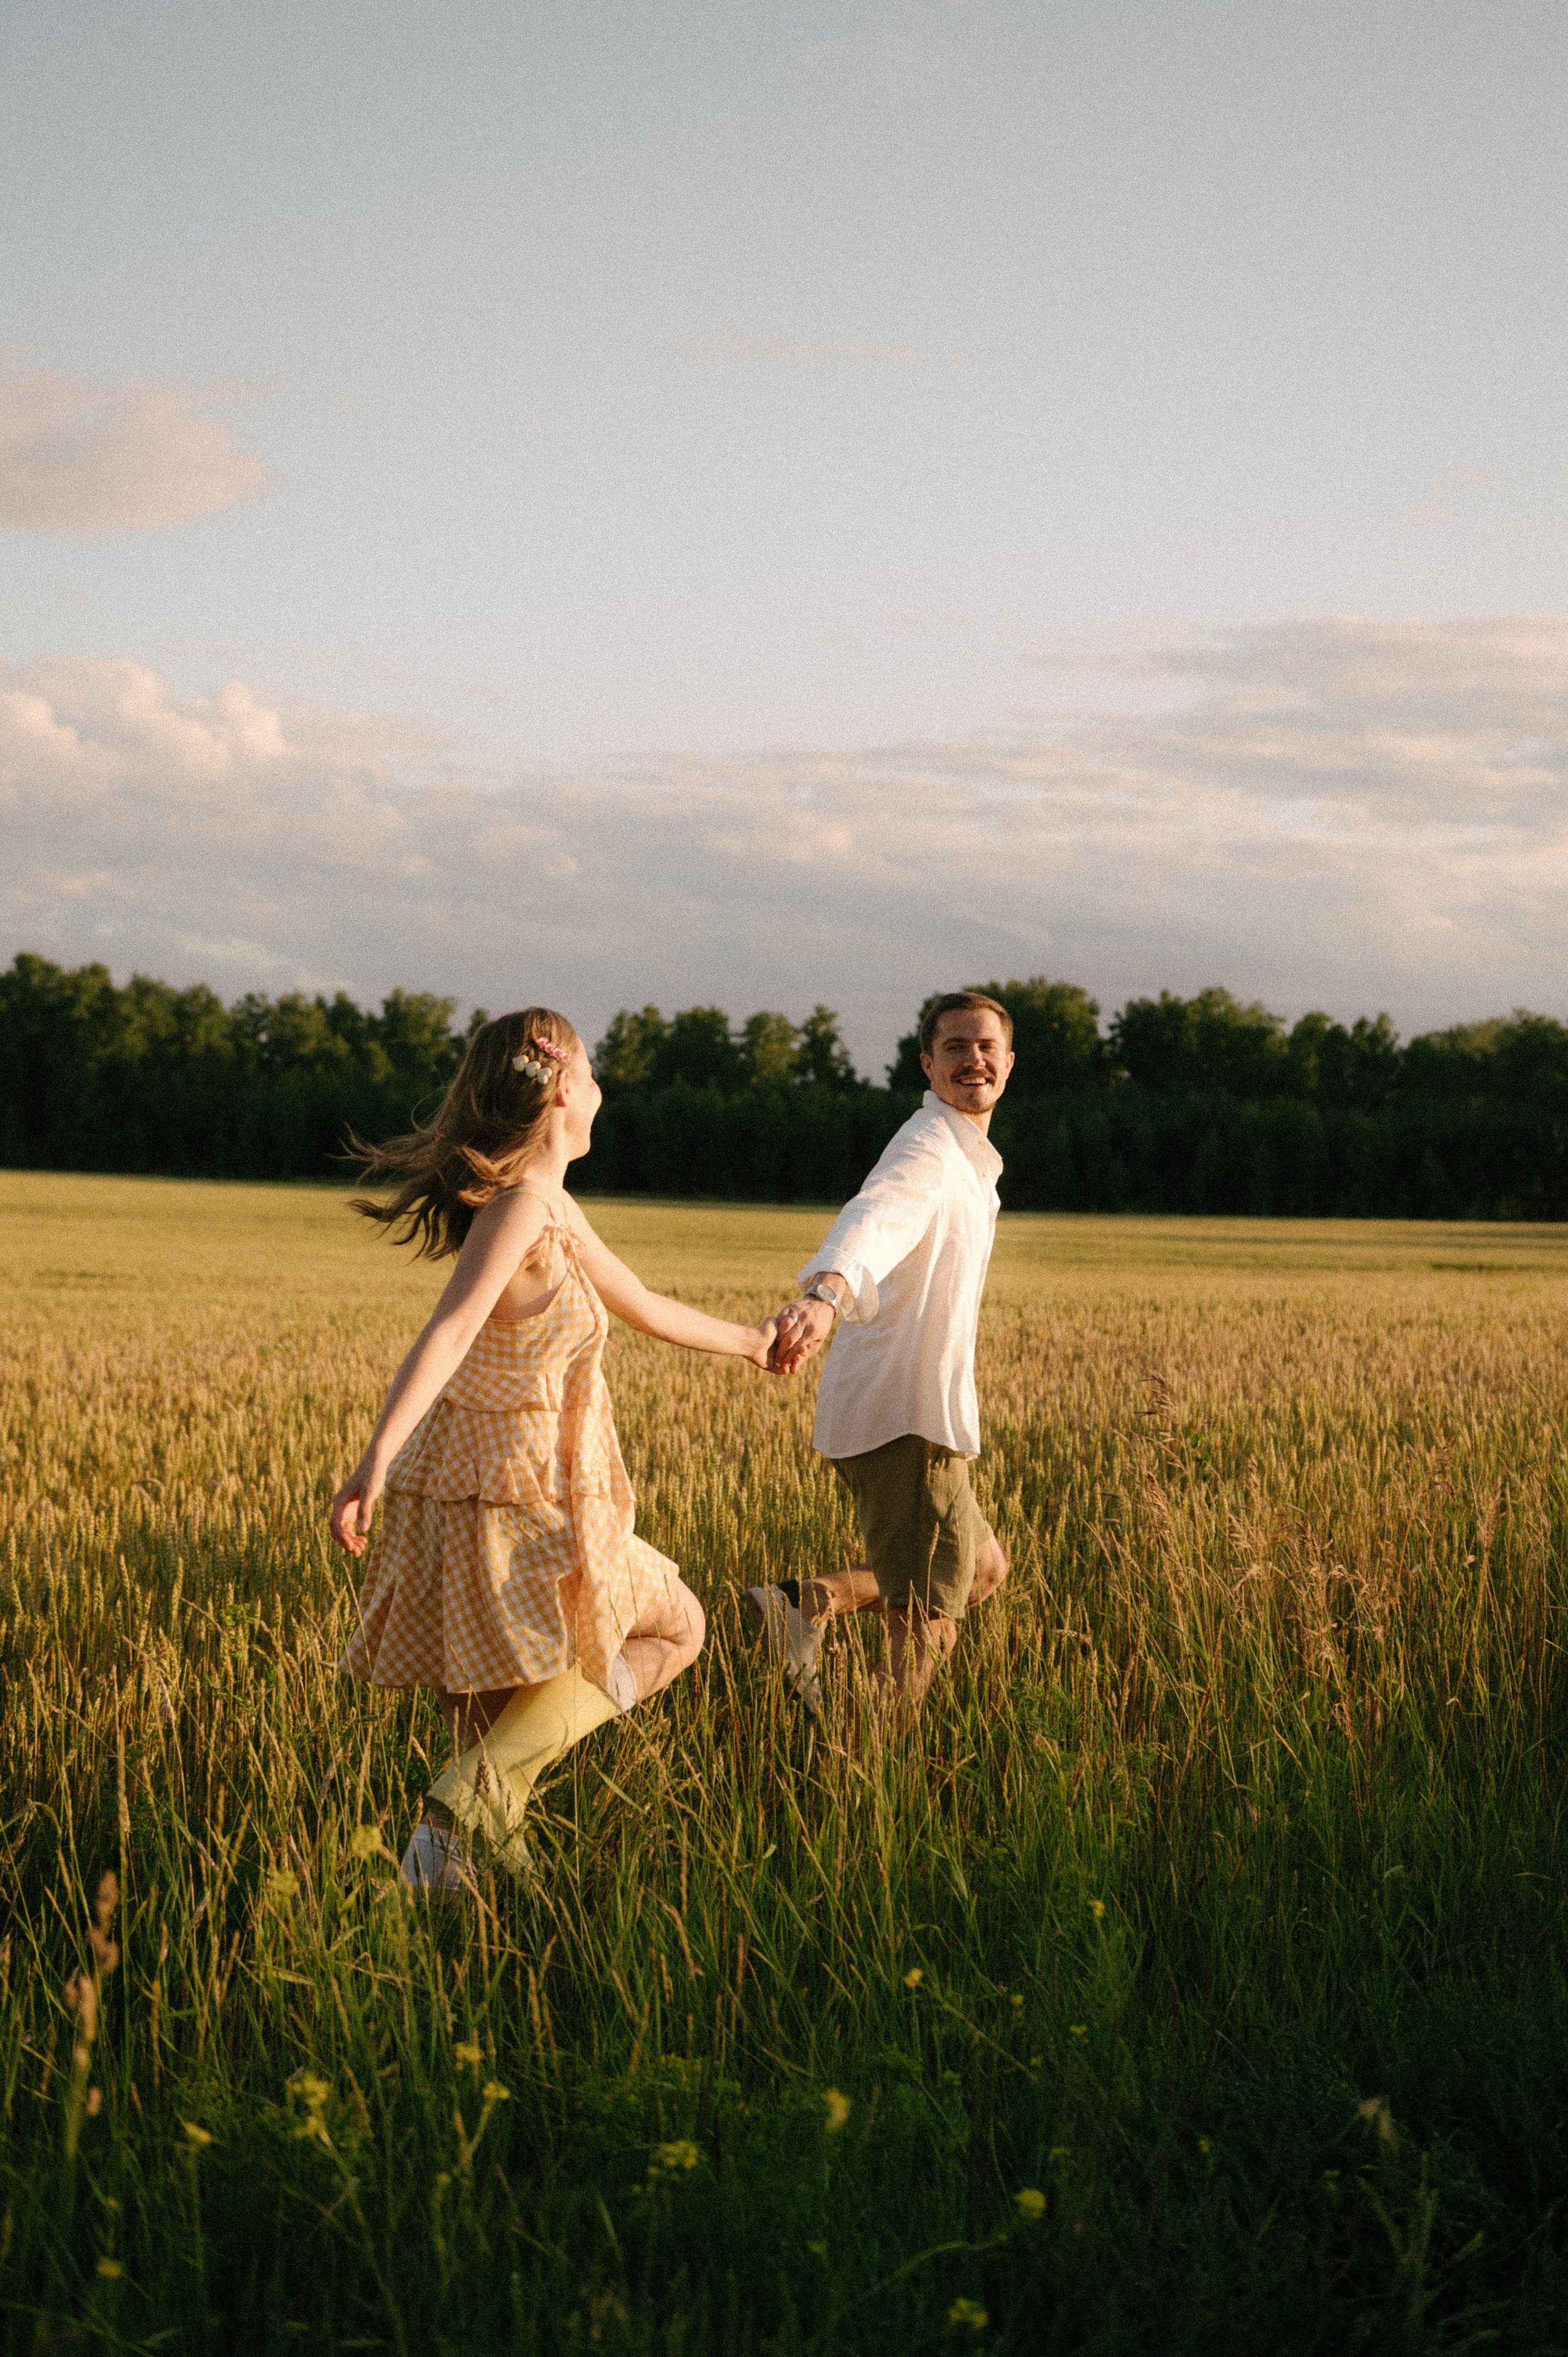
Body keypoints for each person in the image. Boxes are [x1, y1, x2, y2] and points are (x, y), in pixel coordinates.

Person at [330, 1005, 778, 1891]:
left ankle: (469, 1911)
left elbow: (642, 1302)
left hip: (481, 1489)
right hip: (515, 1494)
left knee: (498, 1730)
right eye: (595, 1067)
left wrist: (754, 1343)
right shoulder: (524, 1208)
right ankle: (471, 1796)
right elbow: (451, 1332)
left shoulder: (548, 1204)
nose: (603, 1084)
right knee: (679, 1622)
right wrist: (372, 1459)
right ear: (566, 1084)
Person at [751, 991, 1014, 1714]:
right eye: (955, 1047)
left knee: (983, 1568)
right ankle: (863, 1764)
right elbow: (874, 1217)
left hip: (913, 1413)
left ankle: (808, 1602)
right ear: (928, 1064)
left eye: (986, 1045)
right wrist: (826, 1294)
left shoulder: (968, 1158)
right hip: (905, 1415)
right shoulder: (929, 1149)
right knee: (926, 1621)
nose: (974, 1059)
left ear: (1009, 1062)